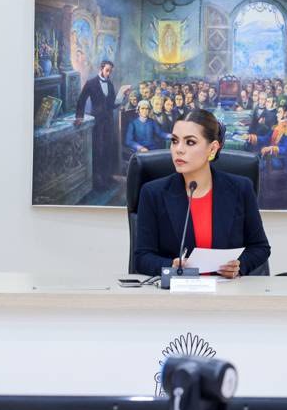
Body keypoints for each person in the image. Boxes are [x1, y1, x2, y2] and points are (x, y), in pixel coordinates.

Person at [134, 109, 270, 279]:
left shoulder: (240, 189)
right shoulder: (153, 193)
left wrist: (239, 266)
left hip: (227, 291)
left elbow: (260, 248)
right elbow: (142, 258)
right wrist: (171, 265)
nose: (179, 150)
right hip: (178, 291)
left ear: (212, 149)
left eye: (190, 142)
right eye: (175, 141)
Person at [74, 59, 132, 191]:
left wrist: (123, 96)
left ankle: (107, 176)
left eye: (110, 71)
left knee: (108, 148)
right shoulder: (91, 83)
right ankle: (97, 179)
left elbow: (112, 104)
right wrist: (79, 116)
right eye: (107, 70)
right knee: (98, 150)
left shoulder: (110, 84)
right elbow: (81, 100)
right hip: (97, 122)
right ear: (101, 69)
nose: (109, 73)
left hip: (108, 121)